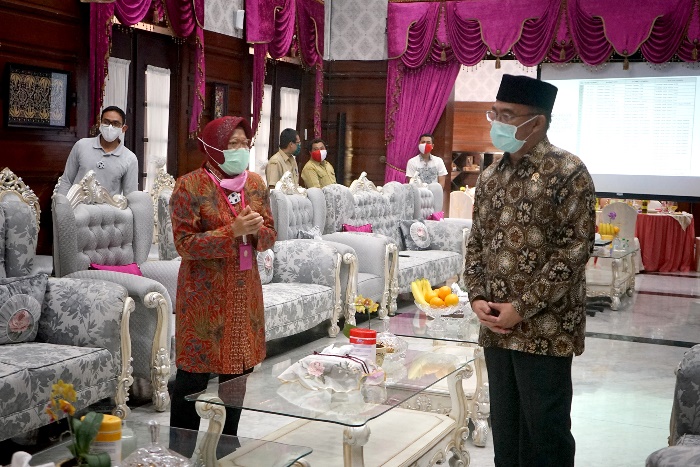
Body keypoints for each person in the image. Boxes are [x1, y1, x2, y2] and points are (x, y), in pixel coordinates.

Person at [464, 74, 596, 467]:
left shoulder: (569, 172)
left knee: (545, 431)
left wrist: (521, 307)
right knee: (506, 430)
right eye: (495, 113)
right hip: (496, 327)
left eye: (507, 115)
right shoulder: (491, 175)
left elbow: (574, 250)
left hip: (546, 329)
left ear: (536, 122)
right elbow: (477, 241)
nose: (497, 123)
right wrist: (477, 296)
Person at [168, 116, 277, 444]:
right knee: (194, 373)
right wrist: (233, 231)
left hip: (244, 292)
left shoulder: (255, 184)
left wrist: (256, 232)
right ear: (214, 147)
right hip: (204, 297)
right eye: (233, 144)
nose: (241, 149)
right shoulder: (189, 186)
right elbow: (184, 244)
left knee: (238, 370)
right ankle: (181, 448)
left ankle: (228, 443)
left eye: (245, 143)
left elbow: (270, 235)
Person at [57, 106, 138, 196]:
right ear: (99, 123)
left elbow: (130, 194)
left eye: (115, 124)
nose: (110, 127)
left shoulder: (129, 158)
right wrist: (61, 202)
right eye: (106, 122)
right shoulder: (81, 145)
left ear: (123, 129)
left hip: (108, 205)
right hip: (77, 204)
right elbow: (67, 180)